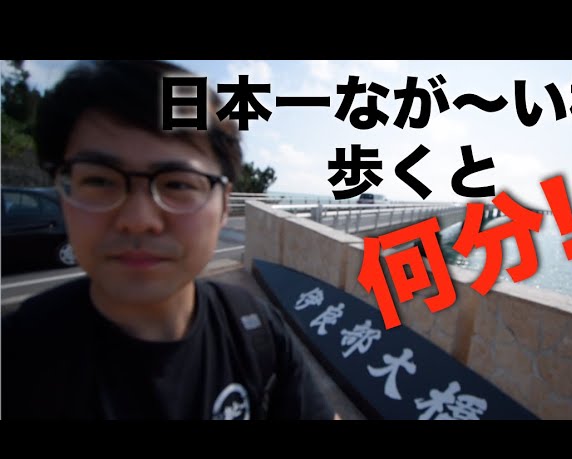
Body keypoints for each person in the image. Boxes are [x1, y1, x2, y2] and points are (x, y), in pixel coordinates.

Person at [1, 60, 337, 420]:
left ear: (225, 205)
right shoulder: (18, 353)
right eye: (99, 181)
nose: (138, 221)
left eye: (177, 183)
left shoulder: (257, 332)